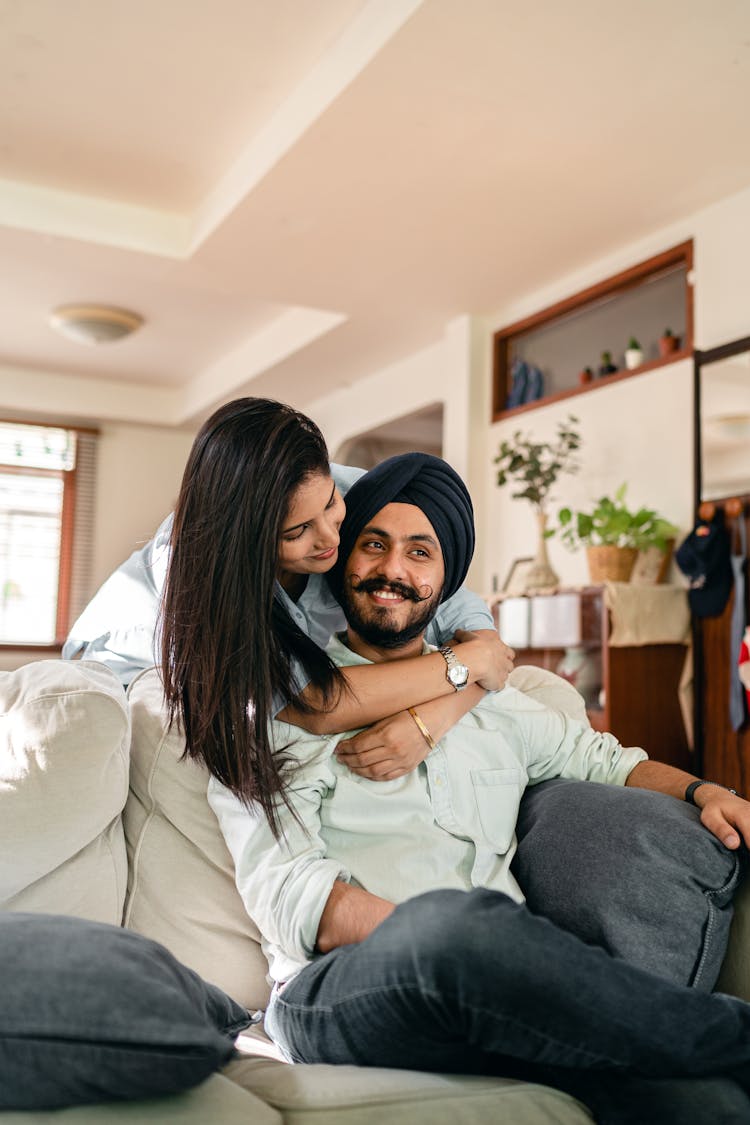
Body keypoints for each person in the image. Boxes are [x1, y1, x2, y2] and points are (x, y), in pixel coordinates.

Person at [208, 451, 750, 1123]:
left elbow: (610, 761)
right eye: (373, 545)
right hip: (336, 992)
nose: (391, 571)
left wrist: (705, 792)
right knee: (453, 925)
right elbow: (291, 892)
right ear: (345, 560)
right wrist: (461, 944)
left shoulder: (496, 706)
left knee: (708, 1103)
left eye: (419, 552)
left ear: (446, 578)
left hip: (497, 992)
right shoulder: (285, 704)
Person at [64, 398, 514, 829]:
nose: (329, 540)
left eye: (330, 507)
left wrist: (433, 720)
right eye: (297, 531)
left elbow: (481, 643)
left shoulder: (340, 490)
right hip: (122, 686)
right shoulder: (203, 575)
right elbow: (313, 702)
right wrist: (465, 667)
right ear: (248, 541)